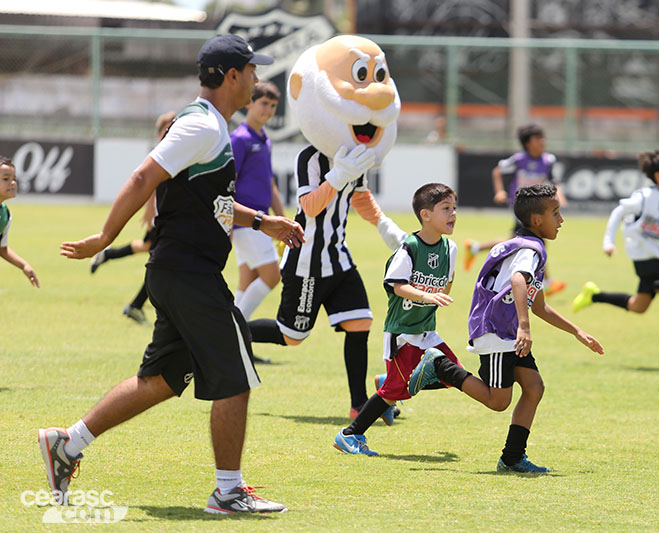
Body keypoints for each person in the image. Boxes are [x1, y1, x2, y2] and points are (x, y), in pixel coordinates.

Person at [39, 34, 304, 515]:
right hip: (187, 272)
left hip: (180, 271)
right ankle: (227, 491)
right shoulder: (202, 125)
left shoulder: (211, 127)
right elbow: (144, 177)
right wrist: (104, 237)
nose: (258, 80)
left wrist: (264, 221)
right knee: (236, 375)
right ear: (231, 77)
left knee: (160, 379)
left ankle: (67, 442)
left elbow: (214, 202)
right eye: (252, 72)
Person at [247, 35, 407, 419]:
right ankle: (231, 327)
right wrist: (336, 176)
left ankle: (358, 406)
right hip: (306, 260)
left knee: (361, 323)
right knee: (292, 336)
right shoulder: (311, 157)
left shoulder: (352, 151)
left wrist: (386, 226)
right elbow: (309, 206)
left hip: (339, 257)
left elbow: (359, 196)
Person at [406, 184, 604, 473]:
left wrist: (577, 332)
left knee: (534, 387)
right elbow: (518, 282)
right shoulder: (531, 249)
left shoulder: (524, 244)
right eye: (556, 213)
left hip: (507, 331)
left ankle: (512, 457)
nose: (561, 220)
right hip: (497, 331)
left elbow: (540, 306)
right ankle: (440, 365)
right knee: (498, 401)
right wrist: (524, 328)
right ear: (537, 220)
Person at [333, 183, 459, 455]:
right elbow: (397, 285)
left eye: (454, 208)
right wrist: (427, 296)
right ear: (425, 215)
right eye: (446, 209)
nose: (453, 214)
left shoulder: (450, 249)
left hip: (427, 332)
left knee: (452, 376)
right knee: (394, 391)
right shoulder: (409, 248)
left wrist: (438, 294)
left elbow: (446, 285)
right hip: (401, 333)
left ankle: (386, 381)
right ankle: (349, 435)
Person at [571, 149, 659, 367]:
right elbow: (618, 212)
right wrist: (608, 242)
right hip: (644, 256)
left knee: (639, 306)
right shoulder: (645, 197)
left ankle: (594, 295)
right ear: (658, 176)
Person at [90, 111, 177, 324]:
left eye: (172, 125)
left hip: (167, 214)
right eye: (165, 127)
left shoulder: (176, 148)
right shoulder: (161, 151)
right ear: (158, 133)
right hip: (161, 215)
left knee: (150, 250)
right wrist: (149, 208)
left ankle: (109, 256)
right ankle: (136, 305)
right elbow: (148, 182)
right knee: (162, 260)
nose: (169, 129)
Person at [463, 124, 567, 297]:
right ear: (527, 143)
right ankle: (545, 282)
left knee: (517, 240)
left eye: (543, 138)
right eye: (538, 139)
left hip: (536, 206)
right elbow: (497, 170)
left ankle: (475, 247)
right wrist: (499, 191)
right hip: (521, 205)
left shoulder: (548, 160)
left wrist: (560, 196)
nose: (543, 141)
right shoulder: (519, 159)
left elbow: (553, 180)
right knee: (535, 238)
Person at [230, 81, 284, 322]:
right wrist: (227, 221)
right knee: (272, 276)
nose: (268, 110)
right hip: (246, 221)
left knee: (248, 280)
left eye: (273, 105)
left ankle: (229, 333)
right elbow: (228, 183)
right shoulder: (239, 139)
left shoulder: (265, 141)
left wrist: (282, 218)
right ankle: (234, 332)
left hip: (260, 220)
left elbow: (270, 183)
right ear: (249, 103)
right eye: (263, 103)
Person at [0, 156, 39, 288]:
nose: (12, 183)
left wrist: (24, 265)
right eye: (6, 179)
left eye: (14, 179)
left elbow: (2, 249)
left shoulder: (5, 215)